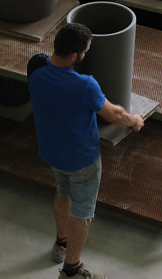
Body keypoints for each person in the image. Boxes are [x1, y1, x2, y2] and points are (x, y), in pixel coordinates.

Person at [27, 22, 144, 279]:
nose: (86, 55)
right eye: (85, 52)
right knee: (82, 214)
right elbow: (114, 114)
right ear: (74, 56)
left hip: (52, 152)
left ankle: (61, 244)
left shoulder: (36, 69)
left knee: (63, 192)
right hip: (82, 159)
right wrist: (134, 120)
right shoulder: (84, 85)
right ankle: (71, 271)